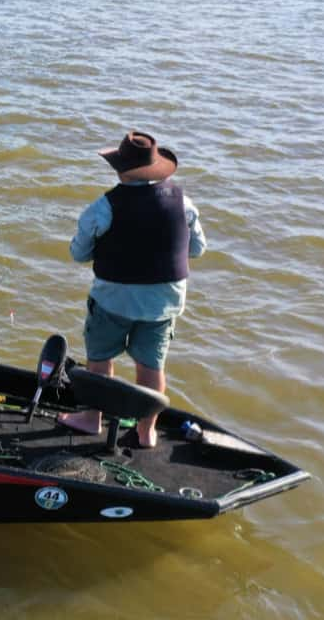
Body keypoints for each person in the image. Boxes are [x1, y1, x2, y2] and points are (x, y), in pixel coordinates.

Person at [59, 131, 207, 448]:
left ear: (119, 169)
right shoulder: (184, 202)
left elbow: (78, 254)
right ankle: (146, 430)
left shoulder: (103, 207)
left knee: (99, 359)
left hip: (112, 300)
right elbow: (197, 249)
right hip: (164, 304)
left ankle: (91, 419)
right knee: (152, 366)